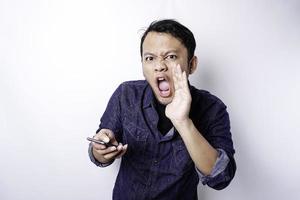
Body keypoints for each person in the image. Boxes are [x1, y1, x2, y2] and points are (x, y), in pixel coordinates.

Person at [88, 19, 236, 200]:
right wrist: (101, 150)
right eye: (150, 58)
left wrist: (183, 122)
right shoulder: (125, 94)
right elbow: (98, 154)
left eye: (171, 57)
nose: (159, 66)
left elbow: (221, 178)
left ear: (192, 64)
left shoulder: (213, 108)